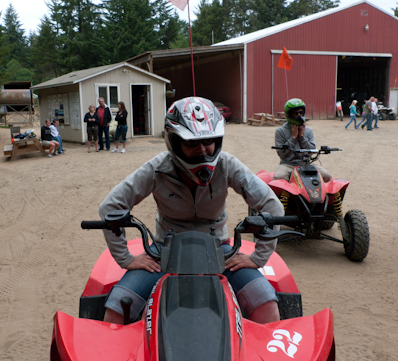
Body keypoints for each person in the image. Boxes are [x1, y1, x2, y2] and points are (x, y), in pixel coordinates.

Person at [99, 96, 284, 326]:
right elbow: (110, 206)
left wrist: (258, 258)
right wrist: (126, 259)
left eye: (208, 140)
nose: (203, 149)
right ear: (174, 142)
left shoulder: (227, 165)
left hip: (218, 251)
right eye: (191, 143)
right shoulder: (157, 168)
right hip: (165, 251)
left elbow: (272, 205)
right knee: (116, 311)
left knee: (267, 305)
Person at [273, 98, 332, 182]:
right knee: (278, 179)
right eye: (295, 113)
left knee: (327, 176)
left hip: (306, 163)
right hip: (287, 164)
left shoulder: (308, 130)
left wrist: (301, 137)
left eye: (301, 113)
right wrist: (293, 137)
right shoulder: (280, 131)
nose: (299, 116)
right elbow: (281, 154)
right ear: (289, 114)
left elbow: (311, 151)